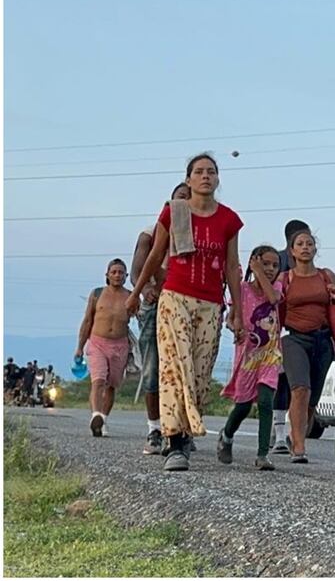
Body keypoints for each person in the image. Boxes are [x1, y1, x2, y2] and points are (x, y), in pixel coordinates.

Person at [126, 153, 244, 472]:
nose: (206, 176)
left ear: (218, 179)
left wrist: (238, 311)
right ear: (188, 179)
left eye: (211, 172)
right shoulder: (174, 212)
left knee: (200, 372)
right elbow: (155, 255)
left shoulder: (229, 220)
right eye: (199, 172)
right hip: (175, 297)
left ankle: (186, 429)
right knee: (175, 368)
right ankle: (175, 442)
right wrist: (136, 293)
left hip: (211, 304)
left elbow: (232, 267)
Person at [131, 182, 191, 455]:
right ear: (170, 202)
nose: (185, 202)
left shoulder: (199, 233)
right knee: (154, 368)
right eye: (180, 197)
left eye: (189, 199)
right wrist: (145, 289)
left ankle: (182, 428)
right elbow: (137, 271)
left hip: (186, 305)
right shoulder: (150, 233)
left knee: (183, 369)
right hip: (156, 304)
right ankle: (155, 428)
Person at [279, 228, 335, 463]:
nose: (305, 247)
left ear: (315, 249)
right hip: (294, 338)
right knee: (300, 388)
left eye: (309, 243)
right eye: (300, 244)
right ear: (292, 251)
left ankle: (296, 435)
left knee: (313, 398)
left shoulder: (325, 275)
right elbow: (272, 301)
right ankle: (299, 446)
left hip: (322, 339)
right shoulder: (285, 278)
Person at [217, 245, 283, 471]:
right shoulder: (242, 289)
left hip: (270, 354)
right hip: (247, 355)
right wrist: (234, 326)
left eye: (275, 265)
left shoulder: (277, 286)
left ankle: (262, 454)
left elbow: (273, 298)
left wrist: (260, 272)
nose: (271, 269)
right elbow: (231, 317)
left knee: (266, 401)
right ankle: (226, 435)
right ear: (254, 263)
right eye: (265, 264)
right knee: (243, 405)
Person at [75, 259, 133, 436]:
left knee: (111, 385)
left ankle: (103, 420)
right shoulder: (97, 294)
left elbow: (143, 319)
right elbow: (87, 321)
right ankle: (96, 415)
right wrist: (79, 347)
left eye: (121, 272)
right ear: (107, 275)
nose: (117, 275)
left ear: (126, 276)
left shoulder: (131, 296)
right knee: (98, 380)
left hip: (119, 345)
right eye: (114, 272)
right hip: (97, 342)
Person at [270, 219, 310, 455]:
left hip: (288, 331)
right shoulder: (279, 261)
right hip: (282, 330)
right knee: (282, 385)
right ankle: (279, 436)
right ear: (291, 241)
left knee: (287, 385)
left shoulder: (308, 268)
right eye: (301, 240)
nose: (306, 246)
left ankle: (281, 436)